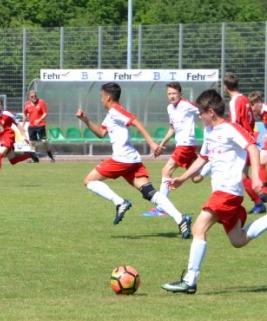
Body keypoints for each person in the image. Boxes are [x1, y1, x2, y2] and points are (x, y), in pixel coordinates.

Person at [161, 89, 267, 294]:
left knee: (198, 228)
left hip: (228, 191)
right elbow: (203, 158)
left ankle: (190, 281)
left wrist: (256, 176)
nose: (200, 117)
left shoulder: (231, 129)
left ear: (211, 112)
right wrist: (182, 178)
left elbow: (252, 148)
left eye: (201, 113)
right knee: (238, 240)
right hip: (223, 192)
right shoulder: (209, 131)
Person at [76, 82, 192, 238]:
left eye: (102, 97)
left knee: (88, 181)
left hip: (122, 158)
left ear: (108, 97)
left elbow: (136, 122)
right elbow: (101, 133)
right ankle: (181, 219)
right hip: (131, 159)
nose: (101, 100)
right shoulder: (112, 113)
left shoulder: (116, 111)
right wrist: (86, 120)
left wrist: (151, 143)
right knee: (149, 193)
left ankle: (119, 202)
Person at [147, 82, 203, 217]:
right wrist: (161, 144)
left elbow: (203, 112)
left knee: (166, 170)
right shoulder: (170, 108)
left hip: (186, 144)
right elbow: (172, 128)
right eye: (169, 94)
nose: (172, 96)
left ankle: (162, 208)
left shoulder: (187, 104)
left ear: (180, 94)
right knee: (196, 177)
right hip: (183, 145)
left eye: (174, 93)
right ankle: (211, 163)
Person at [222, 72, 267, 213]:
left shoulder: (234, 101)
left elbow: (234, 124)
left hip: (242, 143)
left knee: (240, 176)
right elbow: (251, 120)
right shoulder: (245, 99)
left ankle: (258, 203)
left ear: (225, 87)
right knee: (241, 175)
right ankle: (254, 203)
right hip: (249, 139)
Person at [0, 96, 38, 186]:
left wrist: (24, 136)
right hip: (1, 138)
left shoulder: (7, 114)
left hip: (8, 136)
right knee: (13, 160)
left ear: (2, 105)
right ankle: (31, 155)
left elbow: (17, 124)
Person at [22, 89, 56, 162]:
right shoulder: (26, 104)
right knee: (32, 142)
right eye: (32, 96)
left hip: (41, 125)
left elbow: (45, 113)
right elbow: (25, 115)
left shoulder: (41, 102)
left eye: (35, 96)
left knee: (44, 141)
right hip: (32, 126)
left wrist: (39, 120)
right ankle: (35, 159)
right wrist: (23, 125)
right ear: (29, 97)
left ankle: (51, 157)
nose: (34, 97)